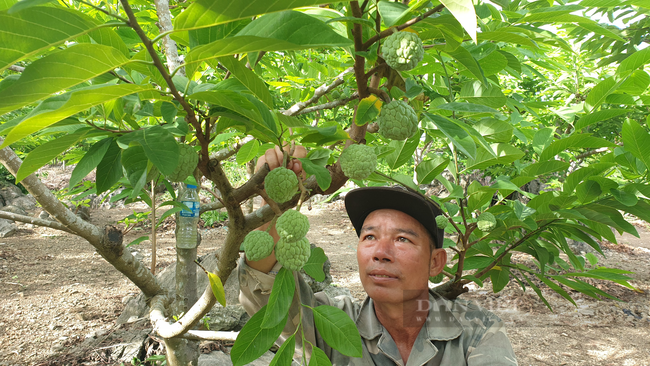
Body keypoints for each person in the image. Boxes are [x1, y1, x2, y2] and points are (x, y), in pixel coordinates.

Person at [239, 146, 518, 366]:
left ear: (435, 262)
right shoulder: (332, 322)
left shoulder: (477, 331)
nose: (380, 253)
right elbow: (268, 289)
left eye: (402, 239)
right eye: (369, 237)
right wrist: (277, 200)